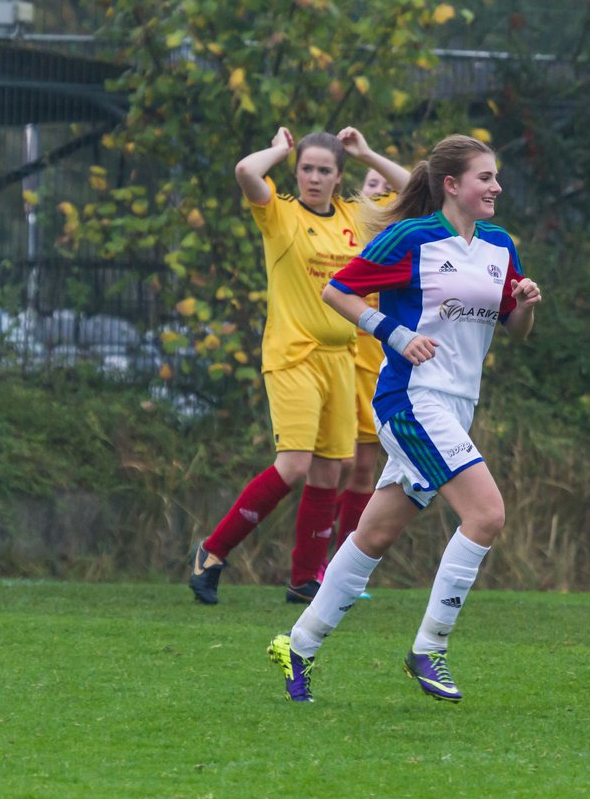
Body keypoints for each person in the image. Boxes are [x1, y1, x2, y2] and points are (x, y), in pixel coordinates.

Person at [267, 134, 542, 703]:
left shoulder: (499, 245)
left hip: (457, 407)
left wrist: (526, 306)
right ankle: (429, 648)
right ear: (452, 185)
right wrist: (393, 332)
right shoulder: (412, 238)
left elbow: (515, 331)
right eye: (485, 178)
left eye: (496, 178)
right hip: (410, 400)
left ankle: (299, 644)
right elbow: (337, 291)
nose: (495, 187)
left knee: (375, 532)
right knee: (487, 514)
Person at [188, 128, 409, 606]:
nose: (313, 177)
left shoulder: (354, 215)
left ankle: (305, 580)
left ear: (338, 177)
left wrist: (367, 152)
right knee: (293, 466)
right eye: (306, 168)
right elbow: (246, 170)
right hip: (293, 356)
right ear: (296, 172)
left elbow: (413, 190)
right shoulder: (280, 214)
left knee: (332, 471)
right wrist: (279, 149)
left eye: (323, 170)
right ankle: (212, 552)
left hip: (341, 358)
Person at [329, 170, 391, 565]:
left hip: (375, 358)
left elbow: (427, 190)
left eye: (388, 188)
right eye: (372, 184)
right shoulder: (345, 223)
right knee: (339, 461)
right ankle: (318, 557)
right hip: (340, 355)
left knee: (365, 465)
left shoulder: (398, 233)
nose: (381, 192)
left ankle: (344, 560)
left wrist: (371, 154)